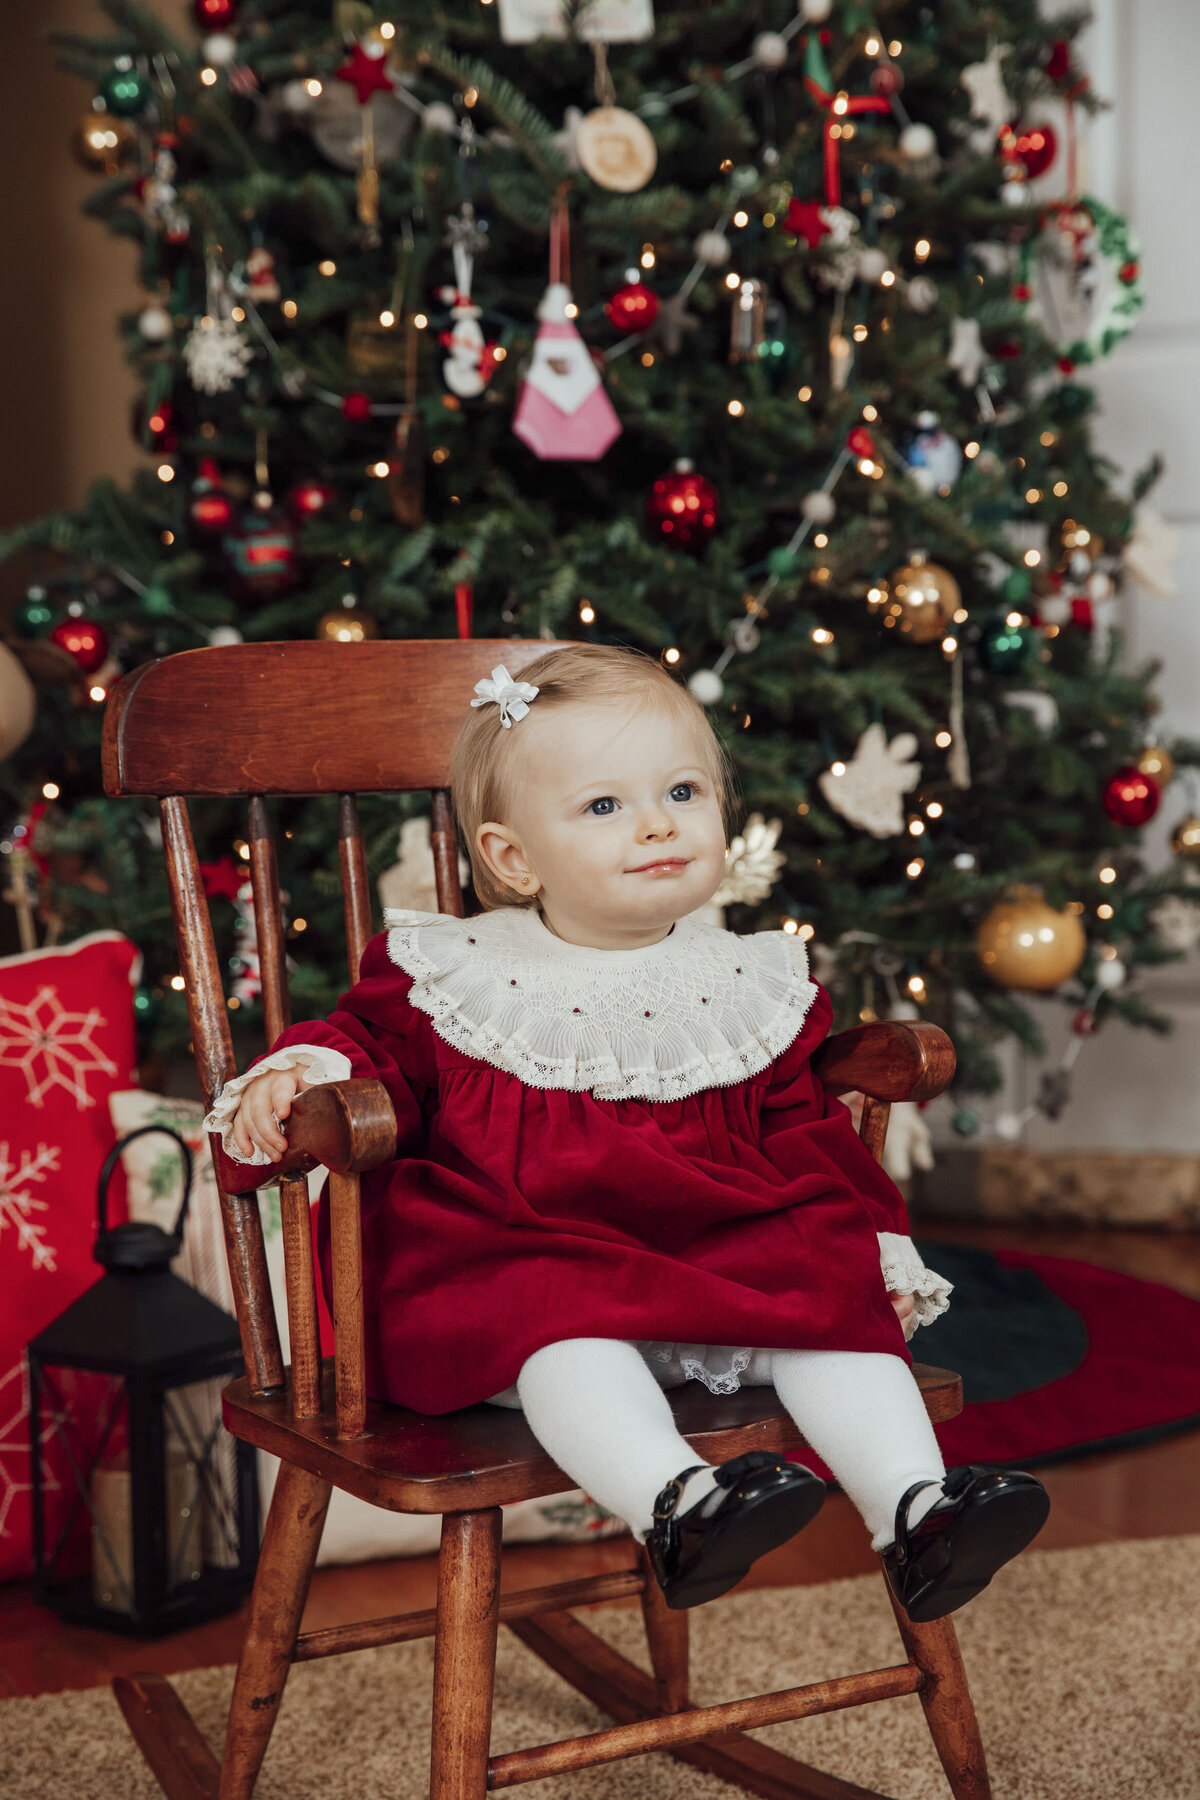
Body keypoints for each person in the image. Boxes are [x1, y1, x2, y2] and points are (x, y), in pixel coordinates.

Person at [205, 644, 1048, 1616]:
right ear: (512, 857)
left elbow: (804, 1134)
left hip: (716, 1255)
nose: (657, 823)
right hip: (525, 1259)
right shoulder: (457, 972)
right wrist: (303, 1076)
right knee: (563, 1335)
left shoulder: (748, 982)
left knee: (832, 1310)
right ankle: (679, 1508)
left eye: (683, 791)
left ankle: (919, 1513)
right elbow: (364, 1047)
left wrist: (864, 1251)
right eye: (605, 806)